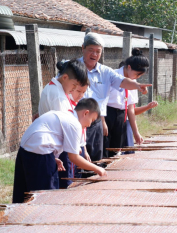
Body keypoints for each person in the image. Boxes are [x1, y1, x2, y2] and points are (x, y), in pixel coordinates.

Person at [12, 98, 105, 203]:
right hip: (39, 152)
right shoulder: (74, 123)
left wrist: (53, 158)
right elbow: (74, 157)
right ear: (86, 113)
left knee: (23, 192)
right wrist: (97, 169)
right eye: (91, 120)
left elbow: (49, 135)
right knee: (44, 196)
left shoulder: (65, 114)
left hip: (26, 149)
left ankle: (18, 217)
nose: (89, 125)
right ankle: (42, 218)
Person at [79, 32, 152, 161]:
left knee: (98, 154)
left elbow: (123, 81)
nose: (94, 54)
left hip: (96, 120)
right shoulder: (73, 68)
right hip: (78, 118)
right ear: (83, 48)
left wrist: (137, 85)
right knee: (78, 153)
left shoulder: (106, 72)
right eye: (91, 50)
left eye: (98, 51)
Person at [38, 59, 90, 189]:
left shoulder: (59, 90)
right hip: (59, 149)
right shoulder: (58, 95)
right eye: (74, 86)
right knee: (64, 186)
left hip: (59, 147)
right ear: (65, 77)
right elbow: (64, 126)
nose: (73, 89)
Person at [105, 49, 150, 157]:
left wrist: (136, 132)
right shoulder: (112, 75)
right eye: (136, 74)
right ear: (129, 67)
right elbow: (101, 100)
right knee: (104, 147)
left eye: (139, 76)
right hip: (107, 114)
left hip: (121, 116)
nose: (137, 78)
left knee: (116, 151)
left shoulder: (133, 83)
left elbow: (130, 108)